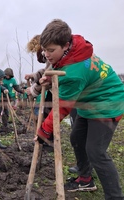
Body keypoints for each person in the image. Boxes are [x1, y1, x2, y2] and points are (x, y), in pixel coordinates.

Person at [36, 19, 124, 199]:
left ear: (65, 45)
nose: (46, 55)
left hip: (108, 103)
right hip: (89, 101)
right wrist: (53, 80)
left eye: (51, 50)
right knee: (76, 138)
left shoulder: (75, 71)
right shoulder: (73, 47)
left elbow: (63, 106)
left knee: (96, 151)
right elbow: (65, 73)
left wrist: (45, 130)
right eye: (44, 49)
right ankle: (85, 180)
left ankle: (115, 196)